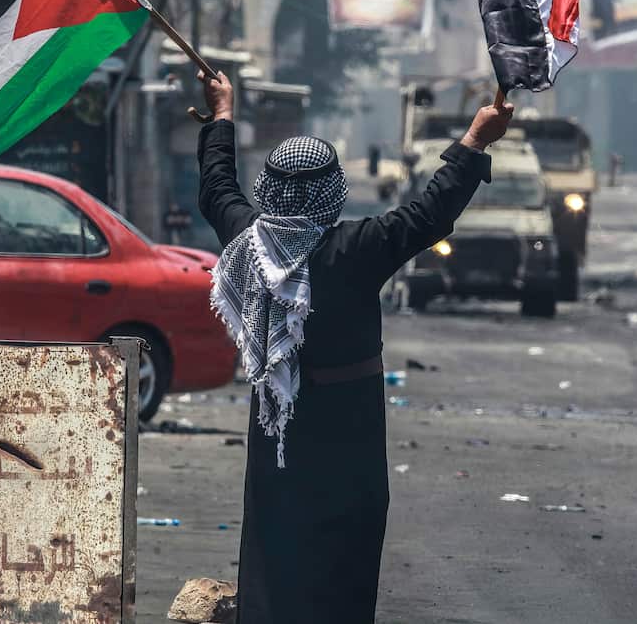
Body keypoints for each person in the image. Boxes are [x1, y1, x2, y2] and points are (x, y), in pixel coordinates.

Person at [195, 70, 514, 623]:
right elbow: (430, 211)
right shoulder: (360, 248)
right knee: (346, 553)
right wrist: (475, 140)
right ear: (333, 191)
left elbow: (216, 187)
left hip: (279, 427)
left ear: (268, 188)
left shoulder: (246, 240)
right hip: (351, 428)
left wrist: (222, 113)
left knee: (273, 542)